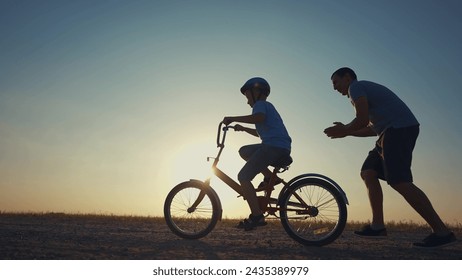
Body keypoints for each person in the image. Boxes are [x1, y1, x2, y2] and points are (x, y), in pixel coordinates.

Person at [324, 67, 457, 248]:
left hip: (398, 130)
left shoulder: (356, 88)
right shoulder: (361, 92)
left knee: (399, 181)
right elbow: (372, 128)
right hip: (388, 132)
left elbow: (361, 120)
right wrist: (347, 133)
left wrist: (344, 129)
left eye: (335, 82)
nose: (334, 88)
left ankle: (442, 232)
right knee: (368, 172)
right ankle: (377, 226)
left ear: (347, 77)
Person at [223, 77, 292, 231]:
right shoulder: (267, 106)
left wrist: (232, 118)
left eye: (247, 96)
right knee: (244, 151)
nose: (247, 102)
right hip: (277, 146)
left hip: (273, 147)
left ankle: (257, 216)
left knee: (243, 177)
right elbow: (260, 131)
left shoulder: (260, 105)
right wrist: (243, 128)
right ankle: (269, 177)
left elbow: (258, 118)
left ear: (256, 92)